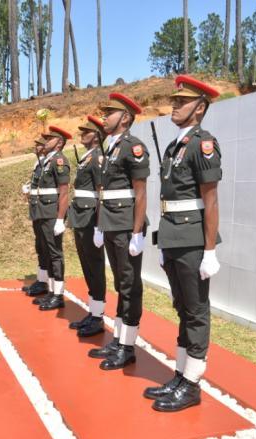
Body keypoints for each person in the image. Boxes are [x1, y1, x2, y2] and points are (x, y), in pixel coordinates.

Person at [143, 75, 222, 412]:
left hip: (192, 241)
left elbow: (211, 200)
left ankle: (192, 384)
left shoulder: (203, 144)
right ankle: (180, 374)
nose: (174, 105)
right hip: (174, 237)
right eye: (174, 101)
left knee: (196, 310)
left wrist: (209, 251)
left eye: (182, 102)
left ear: (200, 108)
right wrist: (164, 244)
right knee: (182, 308)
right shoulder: (177, 145)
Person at [88, 93, 150, 370]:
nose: (104, 116)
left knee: (129, 285)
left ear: (125, 117)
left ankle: (128, 346)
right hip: (112, 223)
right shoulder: (110, 147)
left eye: (109, 112)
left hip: (126, 225)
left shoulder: (132, 146)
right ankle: (118, 339)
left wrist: (137, 231)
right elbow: (104, 194)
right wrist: (100, 225)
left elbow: (141, 193)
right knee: (120, 284)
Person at [67, 116, 107, 337]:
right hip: (81, 216)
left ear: (97, 136)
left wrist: (100, 224)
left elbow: (101, 192)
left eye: (87, 132)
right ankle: (93, 312)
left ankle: (98, 316)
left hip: (91, 216)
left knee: (95, 265)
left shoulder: (98, 158)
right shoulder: (88, 157)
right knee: (87, 265)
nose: (82, 135)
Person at [29, 126, 72, 311]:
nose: (45, 141)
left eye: (50, 138)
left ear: (60, 142)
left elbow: (64, 192)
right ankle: (52, 292)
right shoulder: (48, 160)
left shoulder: (59, 160)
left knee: (55, 253)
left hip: (51, 213)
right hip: (41, 212)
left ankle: (58, 295)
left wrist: (60, 218)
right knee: (45, 249)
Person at [22, 138, 51, 298]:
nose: (36, 146)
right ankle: (41, 280)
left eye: (39, 144)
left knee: (48, 248)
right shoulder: (38, 163)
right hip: (36, 210)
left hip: (46, 211)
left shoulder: (50, 162)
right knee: (40, 246)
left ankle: (50, 285)